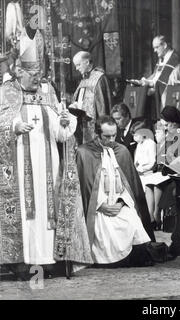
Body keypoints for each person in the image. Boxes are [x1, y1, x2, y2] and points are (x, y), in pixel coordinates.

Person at [0, 42, 92, 276]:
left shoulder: (47, 90)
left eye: (40, 74)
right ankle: (24, 263)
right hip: (19, 164)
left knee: (47, 212)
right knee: (25, 213)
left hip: (49, 165)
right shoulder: (7, 91)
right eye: (33, 75)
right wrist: (13, 127)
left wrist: (65, 121)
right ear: (20, 71)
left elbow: (60, 134)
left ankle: (48, 260)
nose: (37, 79)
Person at [76, 116, 161, 267]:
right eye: (106, 136)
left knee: (133, 221)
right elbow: (83, 187)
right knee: (105, 234)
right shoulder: (84, 153)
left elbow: (129, 185)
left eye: (114, 135)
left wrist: (121, 203)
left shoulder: (121, 151)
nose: (111, 139)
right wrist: (100, 205)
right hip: (96, 209)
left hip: (118, 204)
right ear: (97, 133)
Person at [134, 35, 180, 119]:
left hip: (169, 97)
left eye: (156, 47)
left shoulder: (174, 59)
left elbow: (167, 82)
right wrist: (144, 81)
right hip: (159, 94)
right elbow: (155, 75)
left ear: (164, 45)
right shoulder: (162, 58)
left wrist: (149, 83)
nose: (154, 51)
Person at [69, 51, 112, 145]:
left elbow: (102, 106)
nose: (77, 68)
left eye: (78, 65)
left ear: (87, 62)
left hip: (95, 127)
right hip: (84, 126)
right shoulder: (84, 79)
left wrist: (102, 129)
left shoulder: (99, 78)